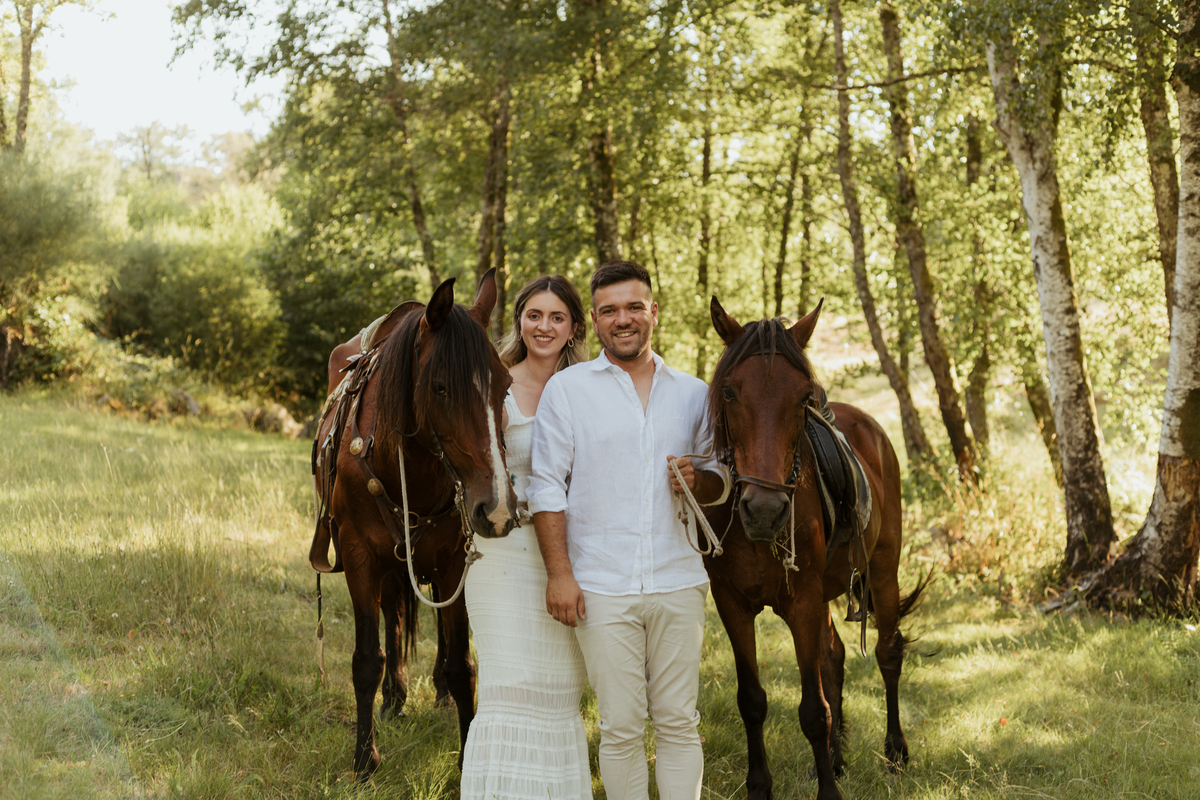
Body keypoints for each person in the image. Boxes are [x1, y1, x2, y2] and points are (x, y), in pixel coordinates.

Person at [527, 261, 730, 800]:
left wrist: (701, 479)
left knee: (679, 721)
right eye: (610, 310)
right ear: (594, 321)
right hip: (601, 585)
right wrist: (560, 574)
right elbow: (546, 487)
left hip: (678, 578)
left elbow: (720, 478)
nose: (623, 319)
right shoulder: (567, 391)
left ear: (653, 313)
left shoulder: (693, 393)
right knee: (620, 727)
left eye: (634, 307)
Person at [459, 275, 593, 800]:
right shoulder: (493, 386)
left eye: (557, 317)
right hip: (502, 554)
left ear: (574, 327)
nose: (544, 326)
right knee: (507, 688)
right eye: (534, 315)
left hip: (568, 556)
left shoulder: (588, 389)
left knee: (558, 693)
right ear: (519, 321)